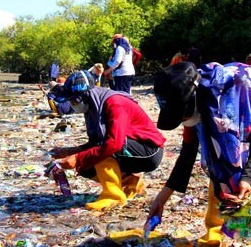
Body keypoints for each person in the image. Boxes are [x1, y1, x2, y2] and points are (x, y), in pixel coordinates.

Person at [146, 61, 251, 247]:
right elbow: (188, 154)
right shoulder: (198, 105)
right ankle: (213, 230)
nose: (183, 120)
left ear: (193, 100)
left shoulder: (246, 90)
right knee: (218, 163)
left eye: (182, 114)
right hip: (237, 115)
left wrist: (249, 180)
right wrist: (162, 197)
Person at [48, 70, 166, 210]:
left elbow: (112, 144)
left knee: (101, 151)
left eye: (74, 100)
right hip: (127, 146)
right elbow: (95, 143)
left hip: (149, 151)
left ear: (85, 95)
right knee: (85, 166)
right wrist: (69, 152)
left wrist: (78, 157)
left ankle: (113, 196)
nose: (72, 104)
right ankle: (131, 183)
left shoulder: (114, 103)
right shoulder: (93, 106)